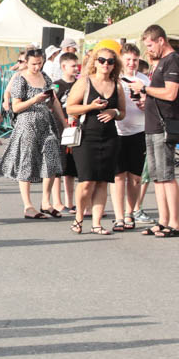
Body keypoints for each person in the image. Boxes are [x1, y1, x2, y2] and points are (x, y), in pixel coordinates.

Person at [129, 24, 179, 237]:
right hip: (152, 124)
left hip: (165, 125)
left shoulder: (173, 61)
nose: (148, 50)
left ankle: (175, 223)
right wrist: (145, 99)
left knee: (167, 174)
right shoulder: (160, 63)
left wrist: (144, 88)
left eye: (150, 45)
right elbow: (159, 93)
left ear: (161, 40)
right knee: (157, 176)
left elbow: (171, 93)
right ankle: (163, 220)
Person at [0, 48, 67, 219]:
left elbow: (54, 100)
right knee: (26, 161)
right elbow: (16, 107)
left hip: (45, 122)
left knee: (51, 158)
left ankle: (46, 202)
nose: (37, 66)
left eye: (39, 63)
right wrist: (35, 99)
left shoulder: (45, 77)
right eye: (34, 63)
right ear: (26, 63)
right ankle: (28, 205)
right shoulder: (20, 79)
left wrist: (64, 122)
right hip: (27, 123)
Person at [67, 48, 124, 235]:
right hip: (87, 137)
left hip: (110, 138)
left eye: (110, 61)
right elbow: (70, 108)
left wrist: (113, 112)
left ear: (115, 65)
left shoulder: (117, 84)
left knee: (102, 182)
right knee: (86, 181)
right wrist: (91, 106)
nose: (105, 64)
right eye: (102, 60)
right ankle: (78, 219)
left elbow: (122, 113)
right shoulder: (85, 82)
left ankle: (97, 223)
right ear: (95, 62)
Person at [111, 43, 150, 231]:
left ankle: (130, 212)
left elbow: (153, 102)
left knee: (135, 178)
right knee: (119, 176)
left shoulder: (144, 80)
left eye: (135, 60)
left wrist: (145, 104)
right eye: (128, 60)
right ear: (121, 59)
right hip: (118, 131)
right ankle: (118, 216)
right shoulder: (115, 78)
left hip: (139, 131)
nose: (132, 63)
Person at [50, 51, 81, 214]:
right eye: (73, 65)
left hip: (76, 129)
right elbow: (52, 105)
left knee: (71, 167)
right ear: (63, 66)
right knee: (58, 165)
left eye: (77, 65)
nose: (76, 68)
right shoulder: (57, 85)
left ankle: (70, 202)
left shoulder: (80, 83)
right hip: (60, 128)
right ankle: (57, 201)